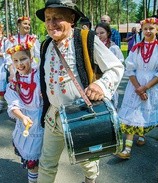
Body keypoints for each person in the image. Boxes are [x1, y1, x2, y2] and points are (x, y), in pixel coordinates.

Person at [36, 1, 124, 182]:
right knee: (46, 163)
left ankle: (90, 180)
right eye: (48, 19)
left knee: (88, 162)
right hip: (53, 116)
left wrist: (100, 85)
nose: (51, 24)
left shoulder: (86, 38)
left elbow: (116, 67)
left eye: (57, 18)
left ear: (72, 18)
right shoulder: (45, 45)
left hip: (81, 116)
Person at [116, 17, 158, 160]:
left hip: (153, 86)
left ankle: (141, 134)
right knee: (131, 116)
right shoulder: (136, 48)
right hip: (135, 85)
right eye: (145, 28)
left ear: (157, 29)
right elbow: (130, 69)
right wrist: (138, 88)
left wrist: (145, 88)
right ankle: (127, 149)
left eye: (151, 28)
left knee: (143, 113)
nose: (148, 31)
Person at [5, 41, 44, 183]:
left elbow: (44, 56)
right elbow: (12, 102)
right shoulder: (15, 79)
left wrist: (33, 44)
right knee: (30, 157)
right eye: (15, 60)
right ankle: (33, 180)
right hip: (25, 120)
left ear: (31, 59)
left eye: (23, 59)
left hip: (41, 119)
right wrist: (22, 117)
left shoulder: (39, 74)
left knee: (42, 154)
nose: (19, 64)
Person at [95, 22, 124, 109]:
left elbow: (119, 64)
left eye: (102, 33)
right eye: (97, 33)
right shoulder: (93, 46)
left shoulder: (113, 48)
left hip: (107, 80)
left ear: (108, 33)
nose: (99, 35)